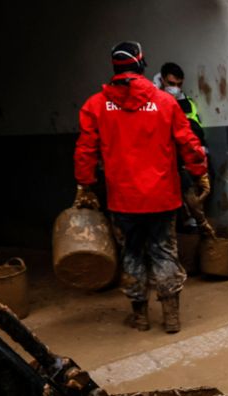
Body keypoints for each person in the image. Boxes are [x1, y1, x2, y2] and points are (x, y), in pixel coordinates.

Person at [74, 41, 208, 334]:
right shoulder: (165, 102)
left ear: (116, 68)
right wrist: (200, 173)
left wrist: (85, 184)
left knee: (132, 254)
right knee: (164, 252)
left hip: (123, 201)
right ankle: (171, 316)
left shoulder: (96, 105)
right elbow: (188, 142)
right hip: (163, 197)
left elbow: (85, 150)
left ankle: (141, 317)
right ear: (141, 66)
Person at [155, 61, 215, 238]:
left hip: (183, 158)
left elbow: (194, 132)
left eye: (179, 85)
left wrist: (201, 165)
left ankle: (193, 225)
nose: (175, 88)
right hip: (163, 161)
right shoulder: (153, 102)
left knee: (197, 181)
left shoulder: (187, 104)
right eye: (171, 84)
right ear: (162, 80)